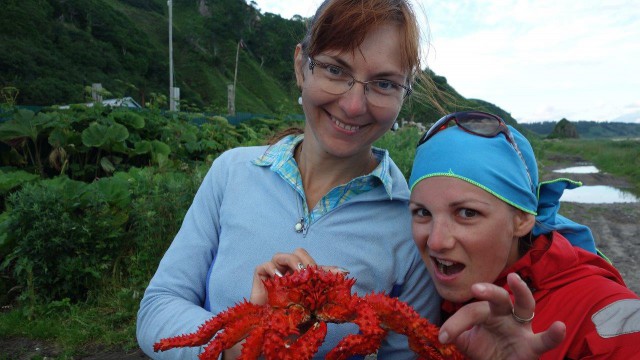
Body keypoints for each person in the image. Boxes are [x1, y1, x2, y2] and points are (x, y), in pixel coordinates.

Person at [136, 0, 443, 358]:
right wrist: (237, 350)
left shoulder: (412, 224)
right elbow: (159, 306)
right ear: (301, 66)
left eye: (384, 83)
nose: (354, 105)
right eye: (334, 70)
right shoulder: (231, 172)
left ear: (404, 94)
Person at [407, 110, 640, 358]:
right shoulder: (418, 291)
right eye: (422, 212)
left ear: (523, 219)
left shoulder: (612, 314)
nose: (436, 241)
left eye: (467, 213)